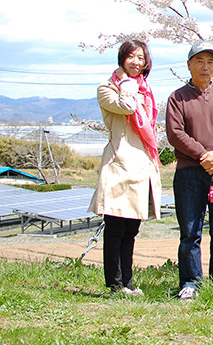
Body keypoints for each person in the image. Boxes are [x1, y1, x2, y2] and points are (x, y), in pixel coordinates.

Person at [166, 41, 213, 300]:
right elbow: (175, 134)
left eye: (210, 62)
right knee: (190, 231)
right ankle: (190, 282)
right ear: (189, 65)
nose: (205, 67)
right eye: (199, 61)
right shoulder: (178, 97)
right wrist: (203, 155)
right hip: (189, 172)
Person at [88, 40, 162, 295]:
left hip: (141, 165)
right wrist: (128, 85)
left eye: (141, 57)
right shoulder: (108, 89)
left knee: (132, 228)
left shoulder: (147, 91)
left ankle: (127, 282)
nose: (136, 62)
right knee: (116, 226)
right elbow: (127, 107)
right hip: (120, 162)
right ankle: (115, 283)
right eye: (131, 57)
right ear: (121, 59)